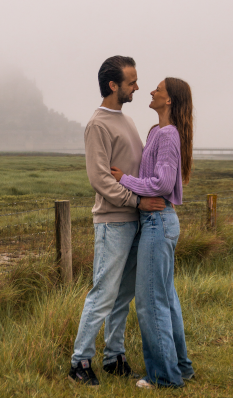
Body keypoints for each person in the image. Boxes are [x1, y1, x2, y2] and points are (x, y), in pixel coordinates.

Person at [68, 56, 165, 386]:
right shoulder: (98, 124)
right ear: (114, 85)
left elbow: (132, 171)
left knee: (123, 294)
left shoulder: (125, 119)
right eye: (132, 81)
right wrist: (136, 200)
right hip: (113, 222)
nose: (137, 86)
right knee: (103, 293)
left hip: (135, 220)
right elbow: (99, 179)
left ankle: (114, 357)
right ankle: (80, 363)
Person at [111, 77, 195, 388]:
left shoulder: (169, 135)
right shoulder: (157, 131)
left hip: (159, 222)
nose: (151, 91)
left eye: (158, 89)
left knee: (150, 301)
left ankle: (164, 377)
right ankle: (181, 367)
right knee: (166, 298)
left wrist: (125, 180)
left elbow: (161, 184)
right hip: (159, 221)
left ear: (169, 100)